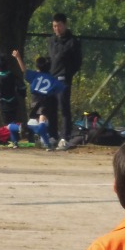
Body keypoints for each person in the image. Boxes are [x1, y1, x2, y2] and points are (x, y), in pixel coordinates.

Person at [11, 49, 63, 150]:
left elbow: (24, 70)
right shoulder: (51, 78)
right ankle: (47, 143)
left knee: (36, 122)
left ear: (38, 67)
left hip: (34, 101)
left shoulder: (35, 75)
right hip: (45, 101)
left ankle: (15, 128)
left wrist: (18, 57)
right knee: (42, 121)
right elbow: (59, 89)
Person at [47, 13, 82, 148]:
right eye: (54, 26)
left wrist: (67, 74)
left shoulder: (73, 42)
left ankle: (64, 138)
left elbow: (77, 62)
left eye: (59, 26)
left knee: (64, 108)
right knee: (51, 108)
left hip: (63, 80)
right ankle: (52, 136)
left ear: (65, 25)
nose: (57, 28)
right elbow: (50, 59)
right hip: (51, 79)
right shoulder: (51, 41)